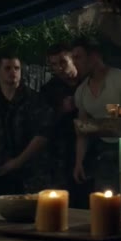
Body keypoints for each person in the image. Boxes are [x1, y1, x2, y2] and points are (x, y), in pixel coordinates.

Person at [0, 52, 54, 196]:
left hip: (29, 172)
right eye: (7, 68)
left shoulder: (35, 100)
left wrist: (17, 162)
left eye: (16, 68)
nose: (13, 72)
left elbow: (43, 134)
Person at [71, 37, 121, 193]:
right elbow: (82, 131)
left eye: (78, 57)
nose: (75, 63)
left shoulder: (120, 79)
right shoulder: (81, 91)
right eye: (73, 58)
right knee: (103, 197)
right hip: (104, 152)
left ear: (94, 57)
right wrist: (79, 162)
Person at [40, 43, 85, 206]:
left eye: (62, 62)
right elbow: (43, 125)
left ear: (72, 59)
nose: (59, 68)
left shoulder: (88, 82)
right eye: (54, 64)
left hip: (90, 150)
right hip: (61, 154)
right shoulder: (49, 90)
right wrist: (61, 110)